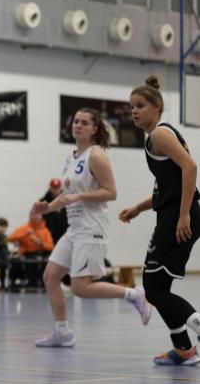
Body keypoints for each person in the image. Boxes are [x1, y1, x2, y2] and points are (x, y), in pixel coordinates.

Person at [32, 108, 152, 348]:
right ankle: (62, 332)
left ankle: (134, 295)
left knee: (80, 287)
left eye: (84, 123)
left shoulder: (97, 156)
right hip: (74, 229)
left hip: (91, 228)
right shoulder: (72, 156)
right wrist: (47, 208)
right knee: (51, 276)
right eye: (76, 121)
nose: (78, 125)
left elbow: (111, 192)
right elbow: (68, 195)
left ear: (95, 129)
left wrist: (79, 197)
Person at [119, 76, 200, 365]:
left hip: (180, 216)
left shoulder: (160, 135)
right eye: (131, 108)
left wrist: (183, 214)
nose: (134, 112)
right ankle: (184, 350)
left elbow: (191, 167)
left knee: (153, 289)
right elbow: (169, 187)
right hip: (171, 213)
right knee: (158, 288)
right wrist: (139, 208)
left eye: (139, 106)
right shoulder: (155, 138)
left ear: (156, 107)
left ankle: (191, 339)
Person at [39, 178, 68, 244]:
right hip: (49, 235)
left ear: (61, 187)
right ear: (50, 187)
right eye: (54, 188)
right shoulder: (43, 202)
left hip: (65, 234)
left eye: (57, 188)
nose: (55, 190)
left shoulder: (68, 200)